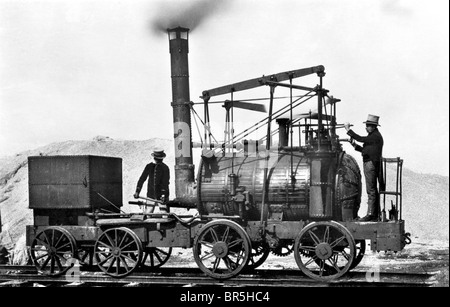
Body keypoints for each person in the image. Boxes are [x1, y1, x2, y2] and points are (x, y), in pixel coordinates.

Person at [344, 114, 384, 222]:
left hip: (370, 164)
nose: (366, 127)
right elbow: (364, 150)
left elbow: (361, 138)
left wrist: (348, 130)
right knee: (372, 189)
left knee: (371, 190)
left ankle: (371, 214)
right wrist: (354, 145)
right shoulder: (374, 137)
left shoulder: (374, 136)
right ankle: (374, 214)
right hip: (370, 163)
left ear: (373, 126)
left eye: (367, 125)